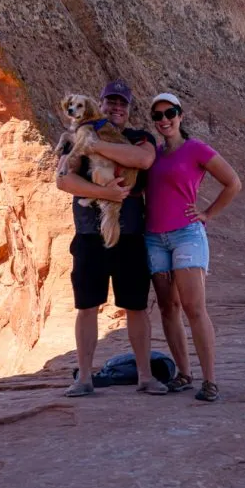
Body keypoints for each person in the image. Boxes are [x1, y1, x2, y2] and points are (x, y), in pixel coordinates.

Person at [56, 80, 169, 397]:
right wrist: (104, 193)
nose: (116, 108)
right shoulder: (75, 138)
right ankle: (84, 378)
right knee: (87, 306)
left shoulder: (139, 137)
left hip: (130, 235)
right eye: (110, 102)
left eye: (122, 104)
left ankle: (145, 377)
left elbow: (143, 160)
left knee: (135, 307)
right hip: (90, 235)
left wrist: (91, 144)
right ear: (99, 105)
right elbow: (64, 180)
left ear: (129, 109)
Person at [144, 93, 241, 402]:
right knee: (168, 308)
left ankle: (210, 380)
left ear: (180, 115)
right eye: (157, 116)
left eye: (169, 113)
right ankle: (184, 375)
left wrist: (207, 214)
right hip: (154, 238)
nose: (164, 120)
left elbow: (233, 182)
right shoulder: (152, 155)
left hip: (186, 234)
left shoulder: (195, 149)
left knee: (193, 308)